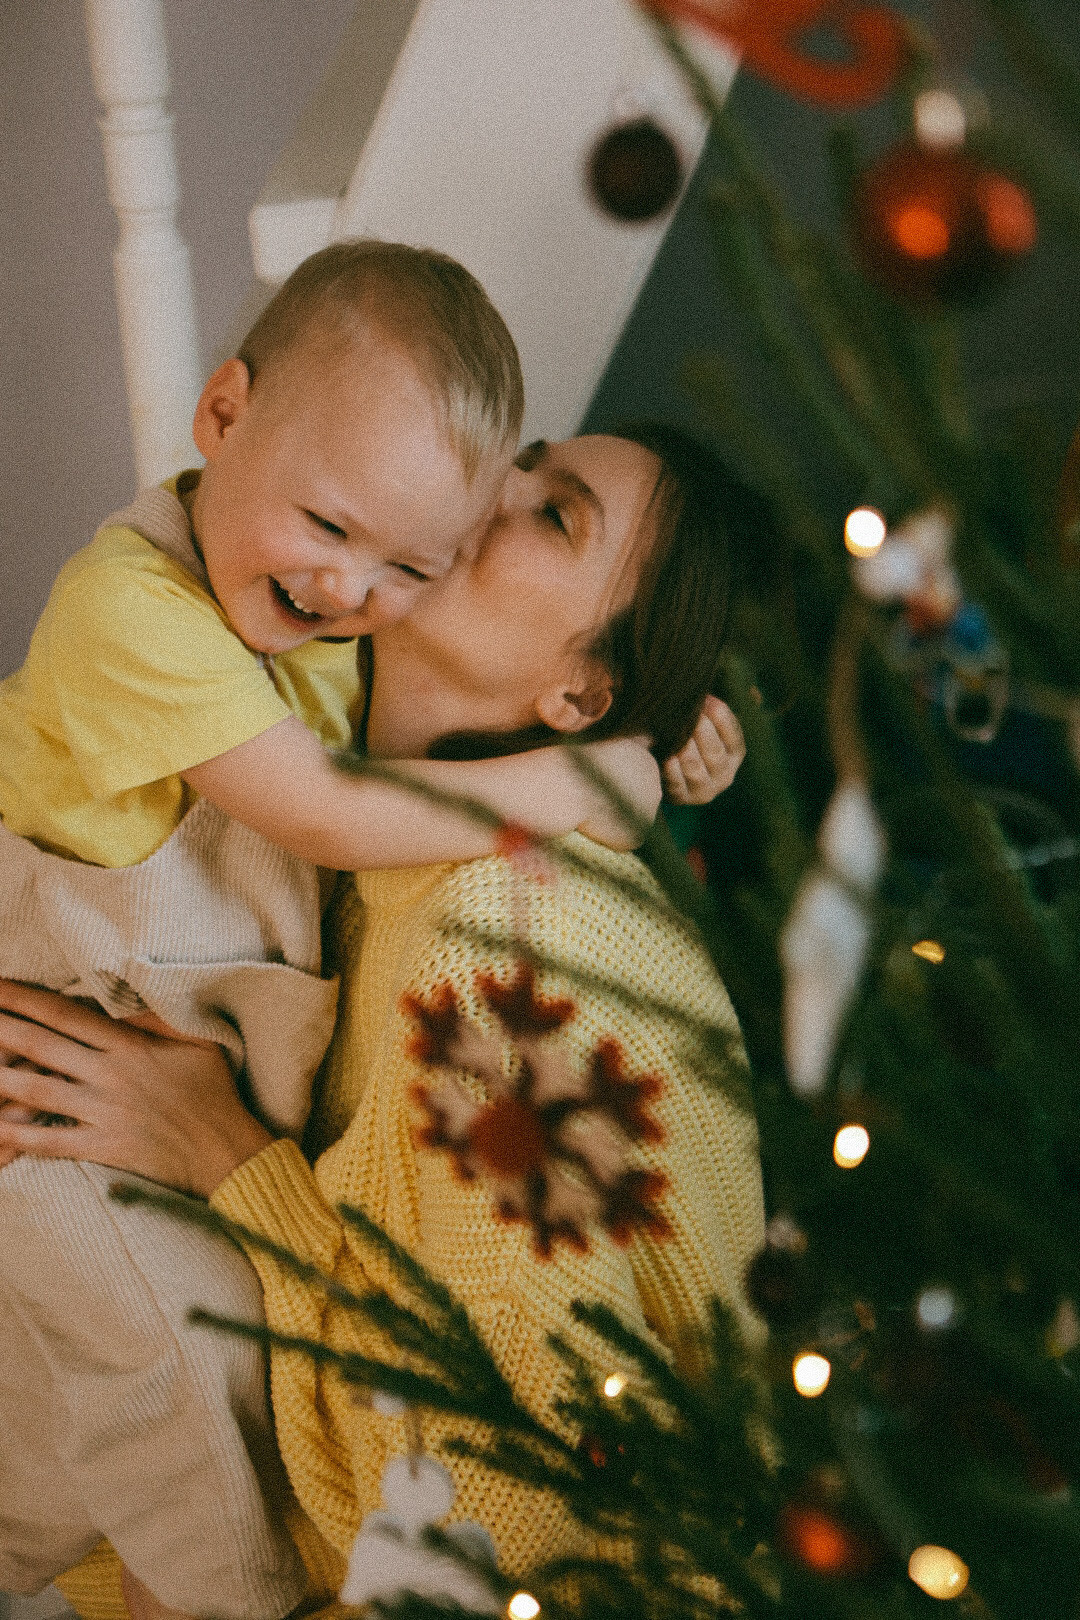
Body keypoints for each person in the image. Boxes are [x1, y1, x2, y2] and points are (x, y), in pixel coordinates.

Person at [0, 246, 738, 1619]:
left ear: (581, 689)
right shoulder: (297, 678)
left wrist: (229, 1158)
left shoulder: (494, 969)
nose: (480, 499)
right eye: (520, 464)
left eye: (553, 514)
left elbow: (501, 1503)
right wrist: (637, 747)